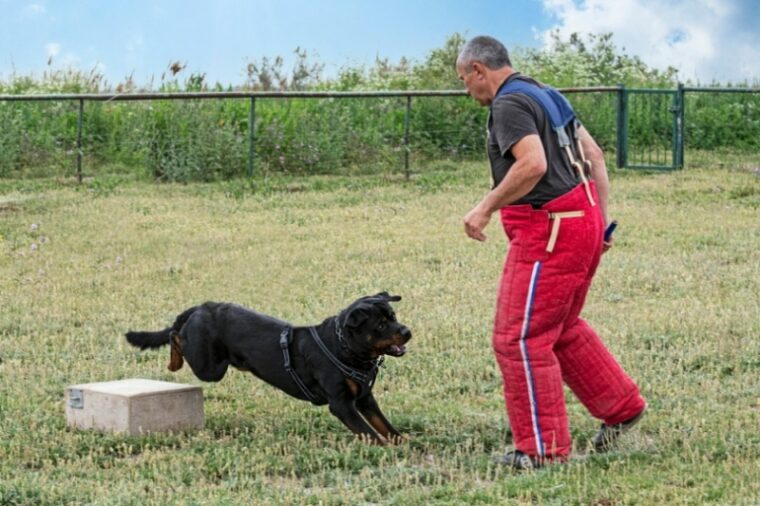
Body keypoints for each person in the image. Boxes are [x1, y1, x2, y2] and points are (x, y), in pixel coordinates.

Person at [456, 36, 647, 469]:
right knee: (559, 327)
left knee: (518, 337)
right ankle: (622, 407)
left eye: (464, 79)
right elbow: (593, 156)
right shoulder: (546, 93)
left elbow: (533, 164)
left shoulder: (507, 105)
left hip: (551, 229)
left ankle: (542, 450)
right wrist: (602, 222)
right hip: (583, 218)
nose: (466, 90)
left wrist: (484, 208)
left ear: (479, 70)